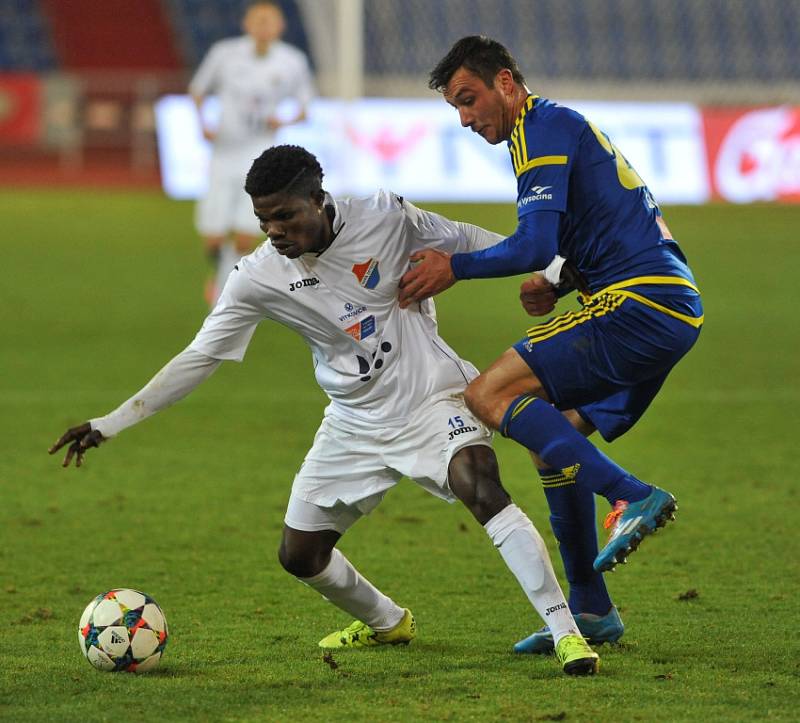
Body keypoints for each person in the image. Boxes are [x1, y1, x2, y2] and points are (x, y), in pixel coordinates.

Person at [49, 145, 600, 676]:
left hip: (430, 395)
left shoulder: (384, 216)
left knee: (479, 484)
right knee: (300, 554)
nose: (274, 232)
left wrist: (552, 267)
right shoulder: (256, 277)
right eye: (264, 221)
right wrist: (109, 423)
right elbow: (200, 357)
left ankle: (564, 632)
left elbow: (470, 239)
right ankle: (388, 622)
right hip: (353, 420)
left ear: (318, 198)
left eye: (285, 217)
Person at [399, 36, 703, 654]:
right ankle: (591, 613)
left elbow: (532, 242)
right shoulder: (548, 131)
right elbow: (597, 226)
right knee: (551, 438)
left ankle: (630, 493)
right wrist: (559, 283)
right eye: (454, 107)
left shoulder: (542, 128)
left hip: (638, 303)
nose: (463, 118)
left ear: (506, 82)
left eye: (469, 99)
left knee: (489, 392)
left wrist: (455, 266)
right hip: (667, 307)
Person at [189, 1, 314, 306]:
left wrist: (283, 119)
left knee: (246, 235)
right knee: (214, 237)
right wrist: (203, 124)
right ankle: (221, 275)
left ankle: (226, 289)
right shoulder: (225, 53)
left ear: (280, 26)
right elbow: (197, 90)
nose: (263, 26)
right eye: (257, 20)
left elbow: (305, 106)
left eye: (269, 20)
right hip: (223, 153)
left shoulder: (292, 61)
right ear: (246, 24)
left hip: (260, 158)